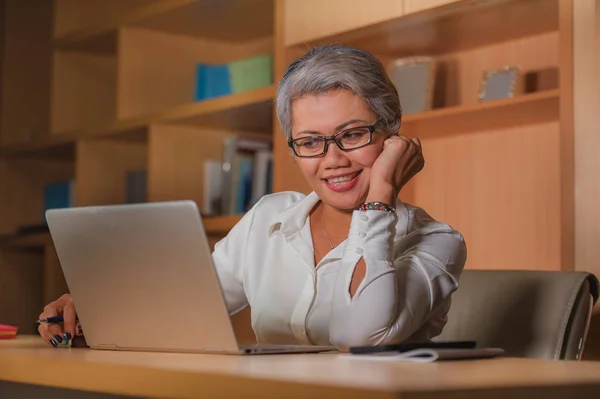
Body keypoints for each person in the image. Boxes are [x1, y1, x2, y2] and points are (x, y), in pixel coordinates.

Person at [38, 45, 467, 351]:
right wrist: (96, 310)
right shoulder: (269, 217)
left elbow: (358, 336)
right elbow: (181, 309)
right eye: (310, 141)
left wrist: (383, 193)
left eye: (353, 135)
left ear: (393, 135)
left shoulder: (438, 241)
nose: (332, 159)